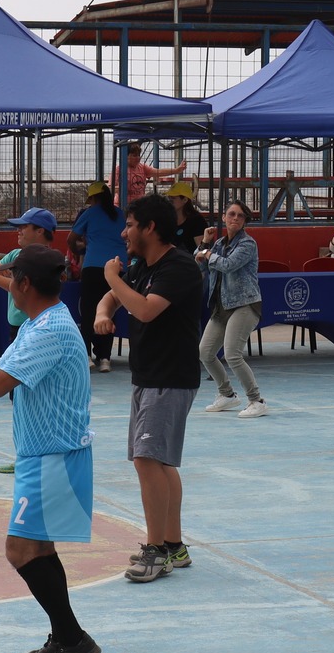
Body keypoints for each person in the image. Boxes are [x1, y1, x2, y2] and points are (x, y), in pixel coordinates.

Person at [0, 245, 102, 653]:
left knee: (19, 550)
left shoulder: (48, 330)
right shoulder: (45, 322)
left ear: (23, 285)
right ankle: (63, 636)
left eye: (11, 278)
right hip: (52, 452)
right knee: (40, 548)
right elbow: (6, 369)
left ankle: (75, 640)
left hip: (52, 456)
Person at [96, 193, 204, 582]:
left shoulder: (179, 267)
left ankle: (156, 550)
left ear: (150, 228)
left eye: (129, 225)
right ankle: (174, 546)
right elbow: (116, 297)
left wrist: (110, 277)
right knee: (159, 461)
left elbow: (143, 309)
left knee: (146, 459)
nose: (124, 232)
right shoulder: (144, 266)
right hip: (149, 376)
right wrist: (102, 311)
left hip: (170, 377)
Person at [0, 207, 61, 475]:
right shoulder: (15, 256)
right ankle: (25, 451)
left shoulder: (49, 262)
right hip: (17, 329)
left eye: (25, 227)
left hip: (34, 328)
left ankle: (36, 452)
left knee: (34, 393)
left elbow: (7, 280)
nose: (19, 231)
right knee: (18, 394)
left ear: (41, 232)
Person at [197, 200, 267, 418]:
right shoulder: (217, 244)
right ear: (224, 218)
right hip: (222, 305)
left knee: (232, 354)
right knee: (205, 353)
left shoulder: (248, 244)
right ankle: (227, 395)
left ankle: (256, 400)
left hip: (245, 304)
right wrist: (204, 244)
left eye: (240, 216)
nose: (235, 218)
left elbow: (228, 265)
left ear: (244, 221)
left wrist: (208, 254)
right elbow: (197, 263)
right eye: (232, 214)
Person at [71, 183, 125, 373]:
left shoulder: (90, 213)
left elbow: (71, 238)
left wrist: (78, 254)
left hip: (93, 266)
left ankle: (86, 355)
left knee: (89, 311)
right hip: (118, 267)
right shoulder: (120, 214)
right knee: (110, 311)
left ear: (94, 199)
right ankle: (105, 358)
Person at [118, 144, 185, 201]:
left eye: (139, 155)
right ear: (125, 156)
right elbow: (112, 188)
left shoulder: (142, 167)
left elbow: (158, 172)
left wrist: (176, 170)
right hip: (124, 205)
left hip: (139, 206)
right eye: (134, 155)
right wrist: (123, 189)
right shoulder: (119, 169)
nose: (138, 158)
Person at [167, 182, 210, 254]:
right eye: (169, 198)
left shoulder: (196, 221)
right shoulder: (167, 219)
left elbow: (202, 251)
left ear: (185, 200)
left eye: (173, 198)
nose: (169, 201)